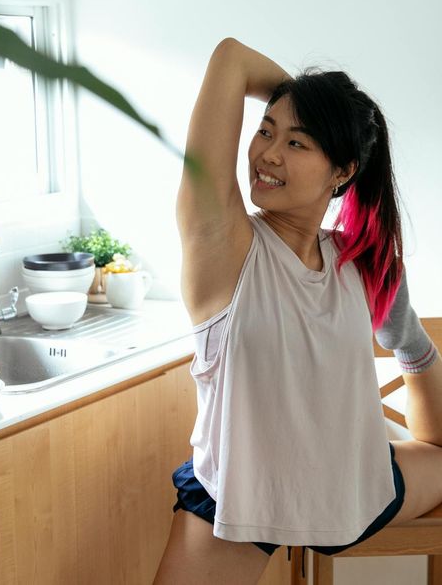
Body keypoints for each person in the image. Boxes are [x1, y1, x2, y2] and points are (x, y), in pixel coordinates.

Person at [152, 38, 441, 585]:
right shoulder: (222, 242)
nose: (267, 154)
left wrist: (409, 341)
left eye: (298, 142)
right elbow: (231, 58)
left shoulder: (359, 263)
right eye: (266, 130)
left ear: (342, 172)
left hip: (350, 490)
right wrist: (314, 102)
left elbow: (436, 442)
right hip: (241, 500)